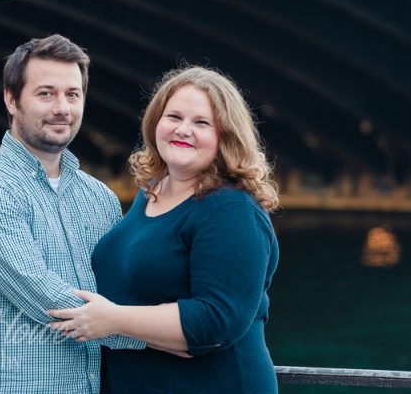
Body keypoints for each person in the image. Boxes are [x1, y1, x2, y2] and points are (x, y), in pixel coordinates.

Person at [49, 65, 281, 393]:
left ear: (225, 136)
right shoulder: (151, 192)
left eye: (201, 122)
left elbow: (216, 319)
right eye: (173, 117)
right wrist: (146, 328)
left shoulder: (231, 208)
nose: (183, 129)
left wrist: (114, 321)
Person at [0, 34, 141, 394]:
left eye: (72, 94)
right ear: (11, 99)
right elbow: (51, 303)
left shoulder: (100, 198)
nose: (62, 108)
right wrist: (171, 332)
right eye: (46, 93)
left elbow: (123, 285)